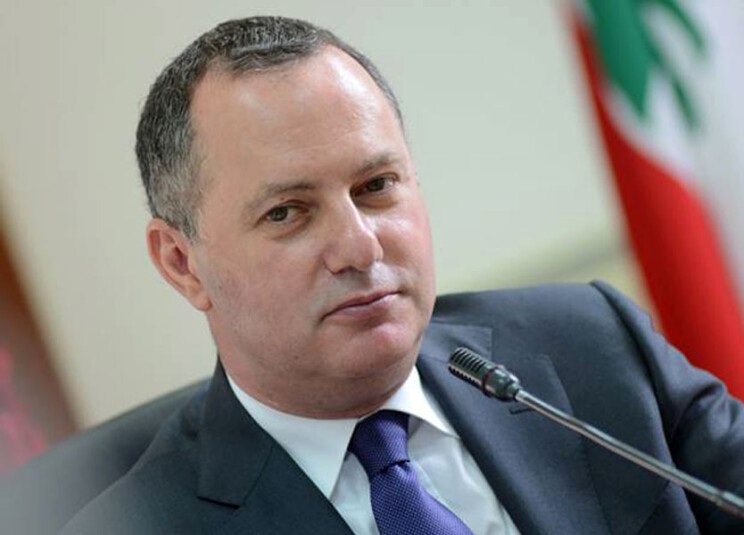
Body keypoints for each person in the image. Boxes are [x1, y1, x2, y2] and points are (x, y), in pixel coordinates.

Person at [60, 16, 744, 534]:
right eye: (287, 212)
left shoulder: (588, 345)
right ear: (182, 263)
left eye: (376, 185)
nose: (359, 247)